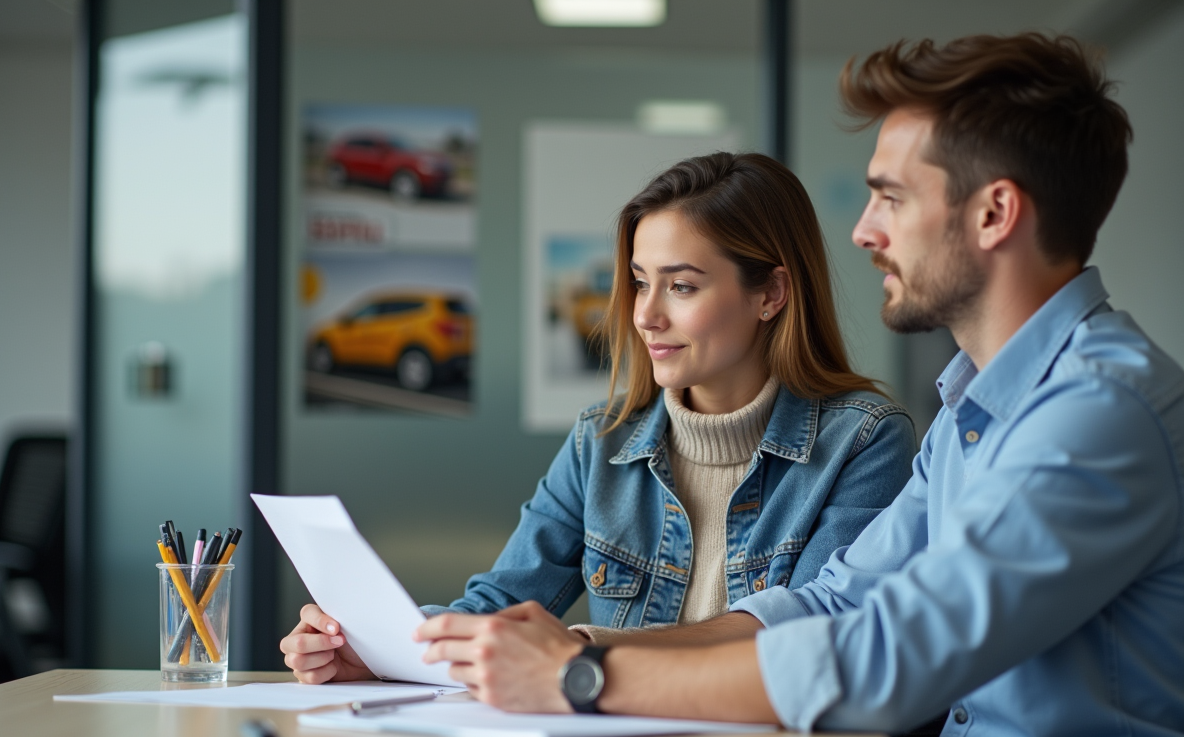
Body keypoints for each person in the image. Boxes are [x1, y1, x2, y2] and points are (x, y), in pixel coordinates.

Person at [415, 33, 1184, 737]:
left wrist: (583, 677)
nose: (864, 230)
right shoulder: (972, 412)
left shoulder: (1096, 414)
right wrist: (580, 645)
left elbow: (884, 659)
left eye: (892, 197)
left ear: (994, 213)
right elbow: (831, 602)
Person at [281, 153, 916, 684]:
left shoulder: (863, 441)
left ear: (771, 294)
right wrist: (379, 651)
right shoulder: (601, 440)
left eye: (682, 286)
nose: (646, 315)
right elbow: (499, 604)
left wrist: (583, 652)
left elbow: (815, 636)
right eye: (640, 282)